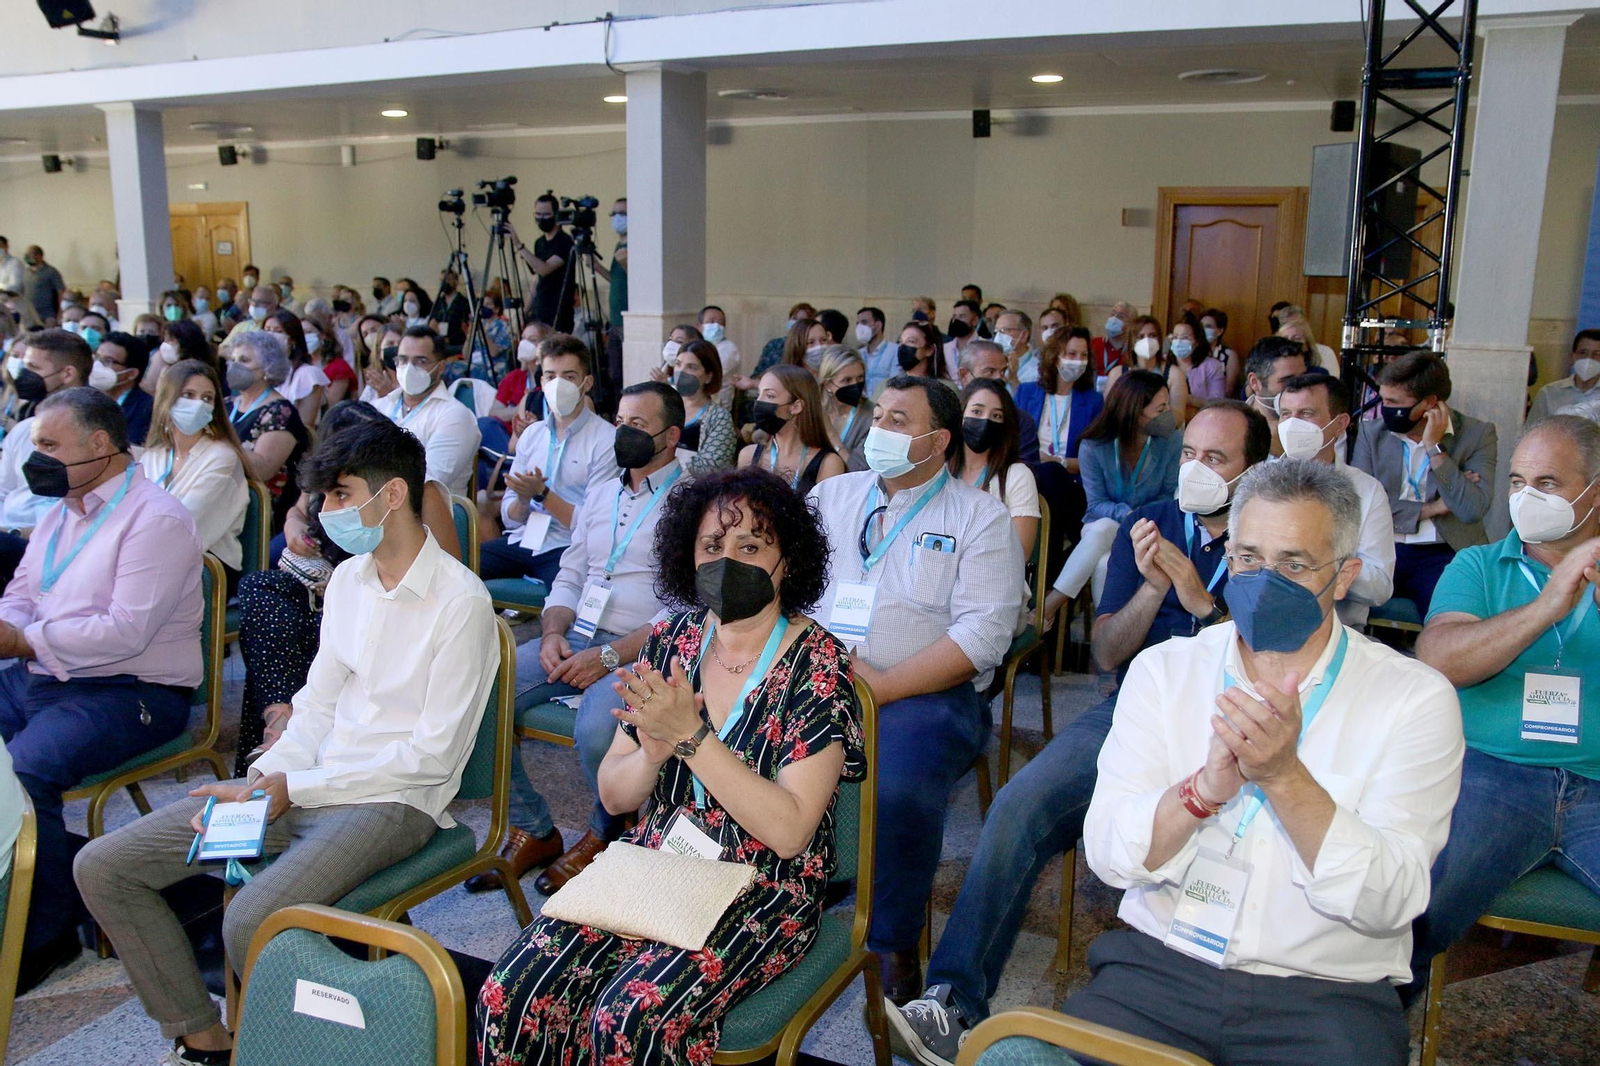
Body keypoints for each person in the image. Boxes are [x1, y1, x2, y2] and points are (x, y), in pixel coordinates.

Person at [75, 415, 498, 1066]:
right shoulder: (354, 580)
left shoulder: (459, 602)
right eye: (324, 496)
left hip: (394, 803)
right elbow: (317, 705)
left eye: (339, 494)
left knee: (252, 923)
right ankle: (204, 1037)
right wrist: (265, 775)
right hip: (305, 786)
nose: (326, 512)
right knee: (104, 866)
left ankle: (357, 1042)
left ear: (392, 496)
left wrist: (290, 786)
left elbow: (431, 757)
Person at [888, 400, 1269, 1066]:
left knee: (1228, 844)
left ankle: (1203, 1020)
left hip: (1235, 724)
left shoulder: (1270, 540)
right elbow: (1109, 654)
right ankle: (951, 1000)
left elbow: (1271, 662)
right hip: (1131, 709)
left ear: (1253, 469)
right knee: (1019, 803)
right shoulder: (1147, 523)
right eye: (1189, 455)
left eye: (1216, 459)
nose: (1197, 470)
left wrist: (1201, 603)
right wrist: (1153, 591)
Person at [1056, 459, 1463, 1065]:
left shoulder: (1414, 698)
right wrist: (1201, 792)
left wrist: (1284, 777)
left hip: (1326, 991)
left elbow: (1393, 897)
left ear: (1344, 576)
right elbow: (1113, 857)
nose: (1264, 579)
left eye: (1293, 564)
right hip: (1163, 968)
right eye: (1247, 558)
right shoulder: (1166, 672)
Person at [478, 466, 865, 1065]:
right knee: (511, 993)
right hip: (655, 863)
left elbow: (790, 833)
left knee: (629, 1018)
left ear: (790, 560)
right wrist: (651, 755)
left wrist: (689, 739)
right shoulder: (672, 642)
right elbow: (613, 796)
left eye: (751, 547)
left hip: (764, 883)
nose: (727, 560)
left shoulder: (820, 666)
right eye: (713, 546)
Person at [808, 375, 1024, 1001]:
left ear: (938, 441)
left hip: (928, 693)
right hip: (822, 676)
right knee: (734, 744)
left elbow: (985, 635)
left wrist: (884, 686)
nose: (879, 430)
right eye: (879, 415)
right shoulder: (832, 497)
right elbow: (786, 585)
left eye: (899, 421)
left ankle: (892, 935)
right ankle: (789, 892)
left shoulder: (979, 516)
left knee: (896, 788)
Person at [0, 387, 204, 992]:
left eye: (46, 445)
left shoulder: (157, 517)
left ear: (99, 445)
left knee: (26, 770)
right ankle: (20, 879)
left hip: (130, 692)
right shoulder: (63, 507)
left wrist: (22, 641)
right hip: (44, 674)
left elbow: (125, 630)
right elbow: (22, 588)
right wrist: (12, 628)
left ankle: (46, 935)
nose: (33, 458)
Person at [1405, 414, 1600, 1004]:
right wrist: (1548, 604)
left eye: (1547, 483)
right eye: (1516, 482)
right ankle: (1364, 1031)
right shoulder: (1479, 567)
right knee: (1413, 909)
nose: (1525, 498)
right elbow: (1439, 658)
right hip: (1490, 773)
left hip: (1597, 784)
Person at [511, 381, 689, 896]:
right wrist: (551, 631)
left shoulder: (691, 503)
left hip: (643, 645)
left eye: (638, 425)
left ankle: (606, 831)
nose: (623, 433)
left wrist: (609, 655)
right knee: (479, 692)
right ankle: (532, 825)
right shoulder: (603, 492)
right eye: (620, 422)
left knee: (596, 731)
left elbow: (684, 610)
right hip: (576, 634)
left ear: (671, 435)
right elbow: (571, 572)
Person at [234, 402, 463, 776]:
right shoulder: (330, 504)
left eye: (341, 493)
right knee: (262, 592)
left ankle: (282, 740)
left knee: (294, 632)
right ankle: (278, 726)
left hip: (389, 604)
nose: (329, 507)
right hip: (336, 586)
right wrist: (293, 528)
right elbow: (298, 510)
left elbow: (442, 571)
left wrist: (361, 588)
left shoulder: (422, 497)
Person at [1353, 351, 1497, 615]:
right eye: (1382, 398)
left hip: (1443, 552)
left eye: (1393, 401)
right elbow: (1361, 507)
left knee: (1450, 620)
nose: (1384, 407)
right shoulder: (1372, 433)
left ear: (1429, 403)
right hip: (1380, 546)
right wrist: (1434, 508)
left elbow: (1470, 510)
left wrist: (1436, 449)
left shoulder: (1477, 434)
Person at [480, 336, 618, 586]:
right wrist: (523, 498)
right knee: (463, 570)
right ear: (541, 381)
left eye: (569, 377)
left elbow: (592, 524)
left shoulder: (606, 439)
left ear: (586, 383)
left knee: (563, 601)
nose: (558, 385)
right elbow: (510, 517)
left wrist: (542, 493)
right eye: (551, 376)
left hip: (569, 546)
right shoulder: (533, 434)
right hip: (525, 537)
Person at [1043, 370, 1181, 616]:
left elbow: (1168, 495)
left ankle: (1055, 606)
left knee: (1105, 560)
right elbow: (1095, 505)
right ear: (1135, 412)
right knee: (1104, 532)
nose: (1168, 415)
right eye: (1160, 409)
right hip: (1102, 526)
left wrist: (1136, 517)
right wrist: (1127, 514)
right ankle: (1102, 634)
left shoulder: (1171, 441)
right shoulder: (1094, 446)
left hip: (1149, 528)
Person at [1275, 373, 1395, 626]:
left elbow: (1380, 587)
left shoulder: (1366, 491)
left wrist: (1321, 562)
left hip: (1339, 631)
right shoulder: (1257, 482)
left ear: (1340, 425)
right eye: (1285, 414)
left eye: (1306, 414)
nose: (1292, 424)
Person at [137, 359, 249, 590]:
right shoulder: (153, 455)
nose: (198, 404)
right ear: (168, 399)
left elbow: (185, 523)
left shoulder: (222, 457)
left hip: (207, 566)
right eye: (188, 395)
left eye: (207, 398)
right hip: (151, 555)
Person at [0, 330, 95, 586]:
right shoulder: (23, 429)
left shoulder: (93, 434)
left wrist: (14, 533)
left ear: (67, 374)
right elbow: (3, 490)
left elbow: (83, 516)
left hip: (48, 546)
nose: (24, 375)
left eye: (33, 367)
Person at [224, 331, 311, 533]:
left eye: (244, 360)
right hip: (224, 496)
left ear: (267, 368)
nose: (234, 366)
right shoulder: (227, 405)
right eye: (233, 360)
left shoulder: (281, 411)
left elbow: (263, 469)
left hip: (264, 512)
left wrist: (217, 445)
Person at [383, 326, 482, 498]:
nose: (409, 368)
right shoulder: (379, 406)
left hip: (432, 517)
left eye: (420, 361)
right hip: (379, 507)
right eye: (403, 360)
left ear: (441, 366)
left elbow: (429, 480)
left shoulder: (456, 416)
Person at [950, 380, 1039, 561]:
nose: (986, 420)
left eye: (996, 416)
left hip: (993, 580)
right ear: (960, 415)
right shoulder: (940, 469)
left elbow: (1021, 555)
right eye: (976, 411)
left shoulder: (1018, 475)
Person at [739, 364, 845, 494]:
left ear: (796, 406)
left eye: (770, 395)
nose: (759, 402)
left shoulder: (829, 464)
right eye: (758, 395)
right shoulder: (748, 456)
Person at [1016, 327, 1103, 475]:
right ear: (1055, 357)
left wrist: (1059, 462)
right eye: (1072, 354)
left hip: (1069, 480)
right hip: (1026, 474)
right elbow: (1009, 442)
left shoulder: (1094, 401)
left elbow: (1096, 460)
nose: (1078, 361)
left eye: (1084, 355)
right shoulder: (1026, 393)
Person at [955, 340, 1041, 463]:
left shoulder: (1020, 421)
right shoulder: (945, 417)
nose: (999, 378)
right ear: (963, 375)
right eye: (990, 372)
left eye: (1002, 371)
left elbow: (1029, 470)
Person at [1107, 315, 1190, 429]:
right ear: (1132, 342)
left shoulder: (1174, 374)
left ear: (1160, 340)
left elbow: (1178, 417)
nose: (1147, 340)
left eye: (1152, 335)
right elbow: (1109, 412)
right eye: (1140, 336)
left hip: (1162, 437)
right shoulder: (1117, 374)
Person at [511, 194, 577, 333]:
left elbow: (544, 269)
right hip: (539, 309)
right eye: (538, 214)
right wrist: (525, 311)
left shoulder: (565, 242)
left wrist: (518, 245)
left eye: (546, 215)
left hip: (558, 312)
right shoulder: (539, 243)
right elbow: (537, 278)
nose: (541, 219)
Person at [672, 340, 738, 472]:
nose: (681, 372)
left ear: (708, 377)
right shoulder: (664, 407)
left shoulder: (719, 417)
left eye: (691, 367)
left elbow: (711, 468)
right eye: (678, 364)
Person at [1242, 335, 1309, 456]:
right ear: (1255, 382)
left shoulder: (1318, 422)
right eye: (1287, 380)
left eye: (1303, 378)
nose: (1299, 386)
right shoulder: (1232, 427)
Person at [263, 310, 327, 429]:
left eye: (278, 331)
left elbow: (305, 425)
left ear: (292, 339)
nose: (271, 336)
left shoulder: (308, 374)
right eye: (267, 330)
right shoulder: (261, 372)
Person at [91, 331, 155, 447]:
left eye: (108, 361)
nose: (97, 365)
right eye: (97, 357)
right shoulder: (82, 397)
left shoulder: (146, 408)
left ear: (131, 374)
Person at [819, 345, 873, 469]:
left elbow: (858, 470)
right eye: (847, 380)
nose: (855, 385)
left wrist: (831, 434)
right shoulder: (814, 409)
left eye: (860, 377)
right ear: (828, 384)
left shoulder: (871, 417)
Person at [1530, 328, 1600, 421]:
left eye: (1597, 354)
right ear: (1573, 357)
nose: (1589, 358)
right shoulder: (1548, 393)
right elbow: (1532, 431)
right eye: (1583, 352)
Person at [755, 302, 817, 382]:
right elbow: (758, 373)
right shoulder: (774, 345)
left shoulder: (812, 348)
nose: (796, 323)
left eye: (801, 320)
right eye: (794, 318)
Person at [1177, 315, 1224, 411]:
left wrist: (1192, 400)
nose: (1178, 341)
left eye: (1185, 337)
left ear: (1196, 342)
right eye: (1175, 337)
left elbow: (1219, 404)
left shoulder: (1212, 365)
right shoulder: (1165, 364)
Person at [698, 304, 742, 403]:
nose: (717, 326)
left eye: (721, 322)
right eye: (711, 321)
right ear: (700, 326)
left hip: (718, 404)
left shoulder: (730, 348)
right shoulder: (696, 346)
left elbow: (708, 374)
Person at [895, 320, 954, 390]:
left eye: (911, 341)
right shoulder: (887, 385)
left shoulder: (946, 389)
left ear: (929, 350)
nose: (903, 346)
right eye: (901, 341)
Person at [220, 285, 279, 352]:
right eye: (252, 301)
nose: (254, 305)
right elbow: (221, 349)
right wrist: (241, 357)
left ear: (273, 305)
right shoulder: (241, 326)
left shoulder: (277, 329)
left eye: (260, 303)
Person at [856, 306, 897, 398]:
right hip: (862, 407)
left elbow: (895, 385)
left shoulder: (894, 351)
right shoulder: (858, 354)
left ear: (878, 325)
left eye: (864, 322)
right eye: (857, 323)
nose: (859, 327)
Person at [993, 309, 1039, 387]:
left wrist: (1013, 379)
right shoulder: (994, 364)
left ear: (1024, 335)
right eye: (996, 331)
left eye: (1004, 330)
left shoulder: (1037, 370)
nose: (998, 336)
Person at [1201, 307, 1241, 397]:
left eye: (1208, 326)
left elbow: (1229, 390)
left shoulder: (1229, 355)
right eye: (1201, 326)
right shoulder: (1192, 353)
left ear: (1219, 331)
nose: (1203, 330)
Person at [1091, 300, 1133, 383]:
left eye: (1120, 316)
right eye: (1112, 314)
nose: (1114, 319)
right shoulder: (1093, 344)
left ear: (1131, 324)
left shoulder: (1132, 351)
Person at [20, 248, 64, 327]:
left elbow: (60, 291)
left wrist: (60, 312)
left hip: (48, 314)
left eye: (30, 255)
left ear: (39, 256)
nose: (27, 257)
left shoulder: (51, 271)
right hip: (29, 314)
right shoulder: (25, 272)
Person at [944, 300, 982, 369]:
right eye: (954, 316)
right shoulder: (945, 348)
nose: (956, 320)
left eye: (962, 316)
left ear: (975, 321)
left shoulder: (985, 346)